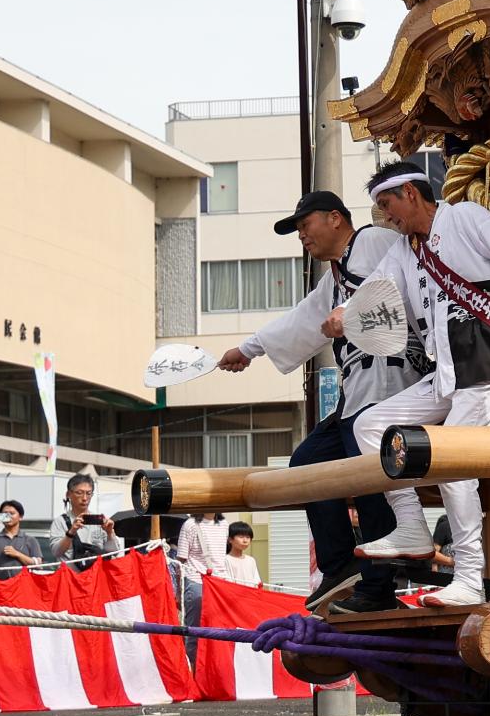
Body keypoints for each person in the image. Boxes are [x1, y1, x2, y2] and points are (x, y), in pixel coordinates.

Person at [346, 161, 490, 612]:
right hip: (444, 374)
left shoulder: (464, 218)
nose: (386, 218)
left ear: (410, 193)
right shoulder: (406, 249)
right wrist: (344, 316)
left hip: (484, 365)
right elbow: (375, 292)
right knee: (370, 426)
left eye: (387, 205)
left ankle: (468, 577)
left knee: (452, 463)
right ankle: (412, 528)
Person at [217, 188, 426, 613]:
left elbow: (411, 277)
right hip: (358, 397)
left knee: (366, 480)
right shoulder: (331, 280)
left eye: (304, 225)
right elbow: (301, 321)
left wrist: (353, 312)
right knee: (308, 464)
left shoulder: (372, 242)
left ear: (335, 218)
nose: (301, 236)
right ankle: (340, 565)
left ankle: (378, 585)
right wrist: (248, 349)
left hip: (394, 387)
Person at [178, 511, 231, 664]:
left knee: (219, 630)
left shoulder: (224, 524)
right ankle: (193, 671)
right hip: (196, 581)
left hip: (221, 582)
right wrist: (179, 591)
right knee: (194, 631)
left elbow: (221, 556)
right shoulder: (190, 524)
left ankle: (213, 669)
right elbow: (181, 559)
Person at [49, 474, 123, 570]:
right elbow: (56, 552)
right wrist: (71, 532)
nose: (84, 498)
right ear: (68, 494)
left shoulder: (100, 521)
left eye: (88, 493)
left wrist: (110, 533)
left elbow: (113, 553)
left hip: (96, 579)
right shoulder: (60, 522)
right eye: (79, 493)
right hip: (70, 580)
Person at [0, 499, 44, 578]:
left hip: (22, 587)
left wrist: (17, 554)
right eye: (5, 514)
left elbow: (38, 565)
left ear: (20, 517)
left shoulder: (30, 540)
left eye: (12, 513)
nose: (8, 516)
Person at [212, 522, 261, 587]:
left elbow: (257, 582)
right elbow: (227, 583)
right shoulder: (225, 560)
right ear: (230, 539)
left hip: (250, 595)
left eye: (248, 537)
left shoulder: (251, 560)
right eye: (241, 537)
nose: (245, 540)